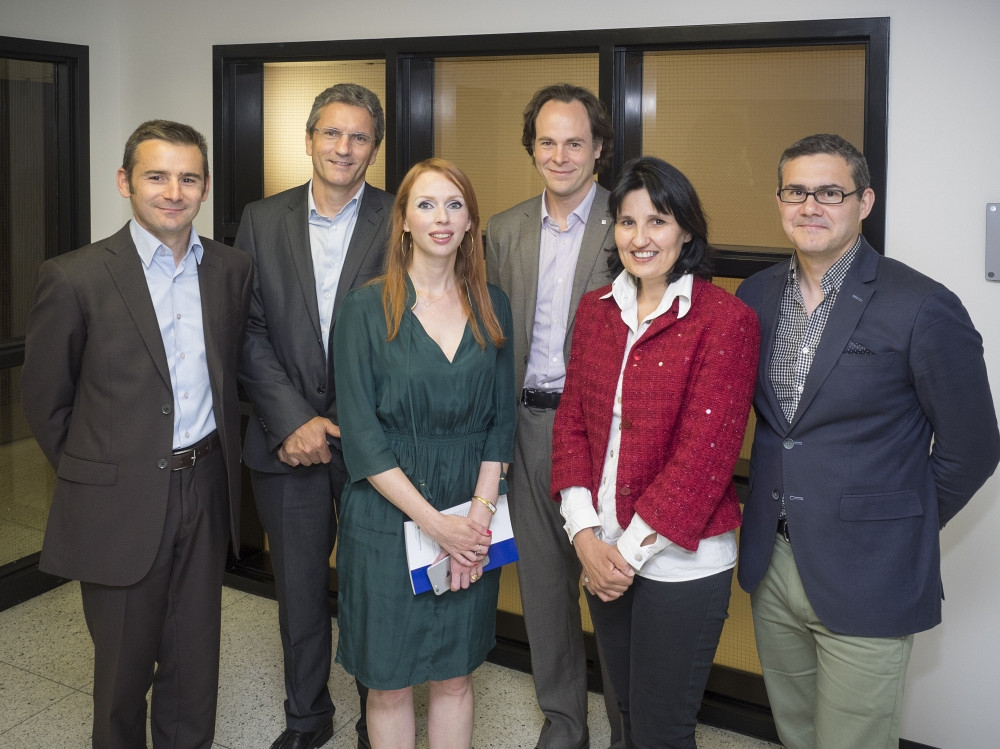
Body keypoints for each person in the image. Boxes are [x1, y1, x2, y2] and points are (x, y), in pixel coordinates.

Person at [736, 133, 1000, 749]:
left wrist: (899, 523)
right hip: (772, 561)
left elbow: (974, 446)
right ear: (779, 202)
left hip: (869, 570)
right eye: (797, 191)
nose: (811, 206)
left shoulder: (922, 305)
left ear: (865, 202)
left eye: (830, 192)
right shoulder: (755, 295)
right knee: (796, 731)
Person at [21, 120, 253, 749]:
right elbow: (46, 402)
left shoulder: (230, 270)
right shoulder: (75, 277)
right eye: (157, 176)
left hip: (204, 487)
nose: (173, 192)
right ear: (125, 182)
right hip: (118, 499)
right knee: (122, 676)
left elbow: (234, 375)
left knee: (193, 663)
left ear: (203, 188)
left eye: (188, 178)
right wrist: (103, 471)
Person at [550, 156, 760, 749]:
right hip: (600, 548)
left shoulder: (726, 321)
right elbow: (573, 428)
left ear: (686, 231)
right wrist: (585, 537)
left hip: (678, 561)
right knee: (624, 715)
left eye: (658, 222)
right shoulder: (596, 310)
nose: (640, 239)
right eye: (626, 222)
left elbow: (704, 459)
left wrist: (624, 555)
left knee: (662, 730)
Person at [331, 157, 515, 749]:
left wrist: (476, 524)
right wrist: (439, 527)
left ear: (469, 223)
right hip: (388, 516)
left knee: (455, 676)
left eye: (455, 205)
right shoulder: (363, 309)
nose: (442, 217)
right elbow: (361, 436)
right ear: (403, 221)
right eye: (427, 204)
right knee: (387, 684)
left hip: (471, 508)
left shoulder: (493, 305)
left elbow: (499, 423)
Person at [236, 83, 393, 749]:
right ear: (308, 139)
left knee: (371, 596)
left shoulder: (401, 218)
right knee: (299, 593)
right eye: (332, 133)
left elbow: (413, 329)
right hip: (285, 442)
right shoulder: (260, 219)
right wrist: (293, 418)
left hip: (374, 448)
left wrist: (351, 421)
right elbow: (244, 330)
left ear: (374, 148)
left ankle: (373, 721)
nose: (344, 147)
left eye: (359, 137)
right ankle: (307, 716)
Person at [485, 82, 623, 749]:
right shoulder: (504, 229)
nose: (560, 155)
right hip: (529, 427)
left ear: (599, 148)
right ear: (532, 147)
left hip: (606, 435)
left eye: (575, 142)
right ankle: (564, 723)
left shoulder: (631, 223)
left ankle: (631, 728)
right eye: (547, 141)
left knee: (613, 589)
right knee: (544, 591)